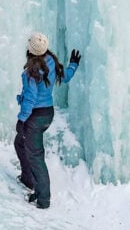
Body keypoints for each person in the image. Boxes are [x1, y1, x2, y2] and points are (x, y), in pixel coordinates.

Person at [14, 32, 81, 210]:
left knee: (35, 157)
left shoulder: (31, 73)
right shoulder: (51, 61)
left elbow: (30, 99)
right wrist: (73, 65)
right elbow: (65, 76)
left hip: (35, 117)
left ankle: (43, 199)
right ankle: (28, 179)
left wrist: (21, 121)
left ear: (30, 50)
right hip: (47, 114)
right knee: (20, 143)